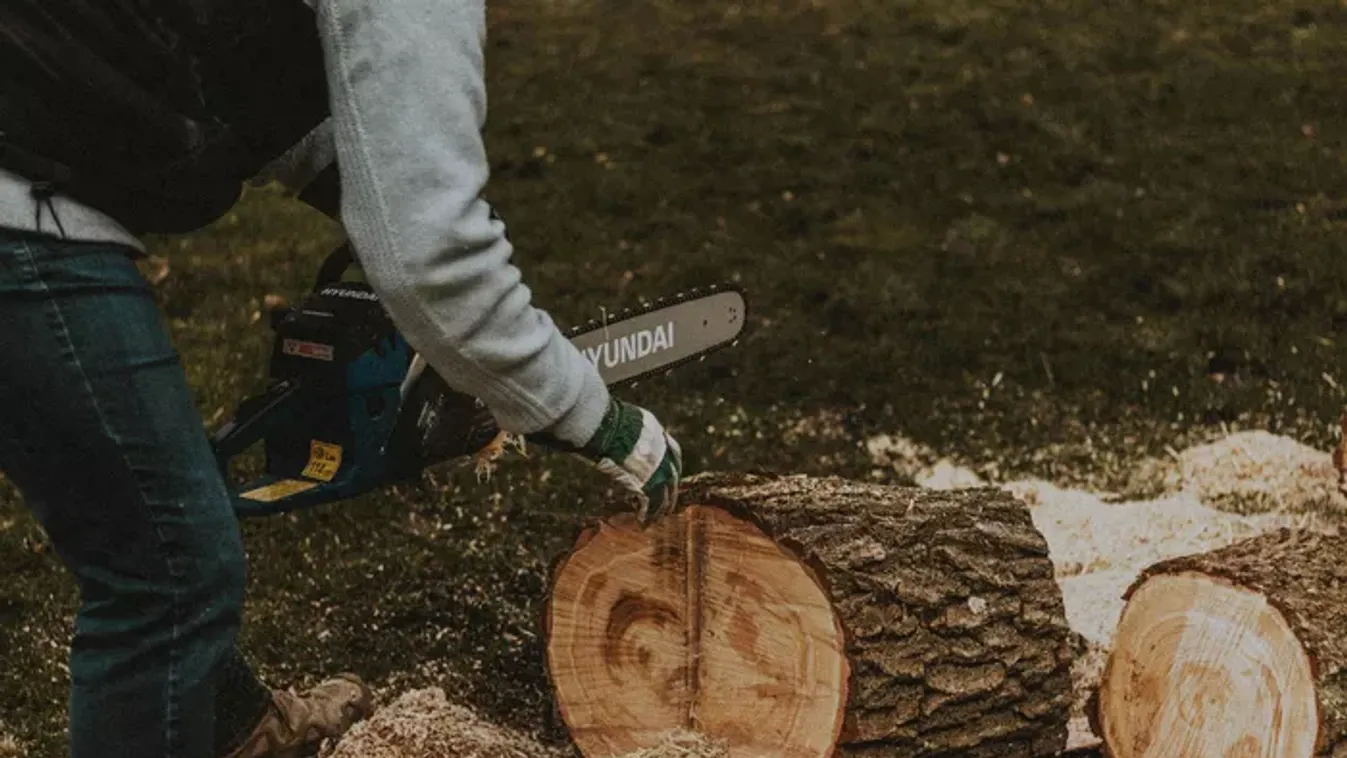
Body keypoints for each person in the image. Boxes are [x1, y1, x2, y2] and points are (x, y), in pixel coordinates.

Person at [0, 1, 683, 756]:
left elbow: (232, 70)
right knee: (170, 578)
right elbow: (431, 259)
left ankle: (227, 725)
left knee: (136, 519)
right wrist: (595, 417)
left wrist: (465, 326)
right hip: (20, 209)